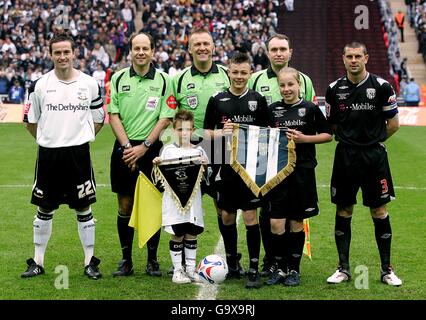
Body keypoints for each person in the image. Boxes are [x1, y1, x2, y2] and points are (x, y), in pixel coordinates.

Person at [22, 33, 105, 280]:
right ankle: (38, 262)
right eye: (57, 52)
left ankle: (90, 262)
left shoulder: (89, 83)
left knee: (83, 207)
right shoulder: (39, 85)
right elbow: (29, 121)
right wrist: (48, 139)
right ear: (50, 55)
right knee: (44, 208)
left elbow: (99, 118)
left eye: (66, 52)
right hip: (48, 155)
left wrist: (81, 136)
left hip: (78, 155)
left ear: (74, 53)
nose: (62, 56)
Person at [325, 42, 402, 286]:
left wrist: (373, 142)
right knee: (344, 210)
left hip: (374, 158)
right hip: (345, 157)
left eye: (358, 56)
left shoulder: (381, 87)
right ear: (344, 58)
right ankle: (343, 269)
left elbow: (393, 124)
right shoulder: (334, 89)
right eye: (349, 56)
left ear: (366, 58)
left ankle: (387, 270)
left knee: (379, 211)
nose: (354, 60)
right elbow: (333, 126)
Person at [172, 28, 245, 276]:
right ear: (189, 49)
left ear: (214, 47)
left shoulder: (226, 75)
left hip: (220, 149)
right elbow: (172, 117)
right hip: (188, 150)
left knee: (223, 207)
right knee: (185, 205)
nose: (202, 48)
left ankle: (233, 261)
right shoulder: (179, 79)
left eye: (206, 43)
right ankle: (182, 263)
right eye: (197, 44)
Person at [248, 33, 317, 278]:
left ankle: (290, 265)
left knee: (293, 217)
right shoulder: (255, 79)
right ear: (267, 52)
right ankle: (272, 262)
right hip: (268, 163)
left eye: (283, 49)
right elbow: (255, 121)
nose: (279, 53)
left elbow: (308, 117)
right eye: (274, 49)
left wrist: (304, 140)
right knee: (270, 215)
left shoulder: (305, 80)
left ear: (290, 52)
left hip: (299, 164)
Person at [108, 32, 176, 277]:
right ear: (130, 51)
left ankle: (152, 260)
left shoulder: (164, 79)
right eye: (136, 48)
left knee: (152, 204)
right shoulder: (117, 79)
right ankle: (126, 260)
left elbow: (166, 116)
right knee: (125, 203)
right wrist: (128, 147)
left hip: (152, 150)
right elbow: (113, 115)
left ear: (153, 50)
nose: (141, 52)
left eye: (145, 48)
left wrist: (145, 146)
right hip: (124, 150)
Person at [204, 52, 268, 289]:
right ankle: (232, 264)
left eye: (244, 72)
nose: (239, 76)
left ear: (250, 73)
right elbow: (204, 134)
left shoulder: (258, 100)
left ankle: (253, 268)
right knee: (227, 215)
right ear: (228, 72)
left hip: (250, 166)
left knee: (251, 216)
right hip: (224, 166)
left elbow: (267, 134)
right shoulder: (217, 99)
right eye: (235, 72)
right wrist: (222, 133)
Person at [263, 67, 332, 287]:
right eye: (282, 85)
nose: (286, 89)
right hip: (277, 175)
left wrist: (304, 139)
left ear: (299, 85)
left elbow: (328, 135)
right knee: (275, 223)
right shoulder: (272, 110)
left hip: (302, 173)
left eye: (290, 84)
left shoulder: (310, 108)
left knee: (295, 222)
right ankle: (280, 268)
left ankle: (294, 270)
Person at [153, 110, 207, 284]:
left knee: (191, 233)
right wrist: (157, 164)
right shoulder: (167, 151)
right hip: (174, 203)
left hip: (193, 202)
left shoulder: (199, 151)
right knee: (177, 234)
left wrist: (206, 166)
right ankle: (177, 271)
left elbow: (206, 176)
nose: (184, 133)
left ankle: (190, 270)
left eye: (188, 129)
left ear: (193, 130)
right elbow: (160, 178)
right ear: (173, 130)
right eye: (180, 129)